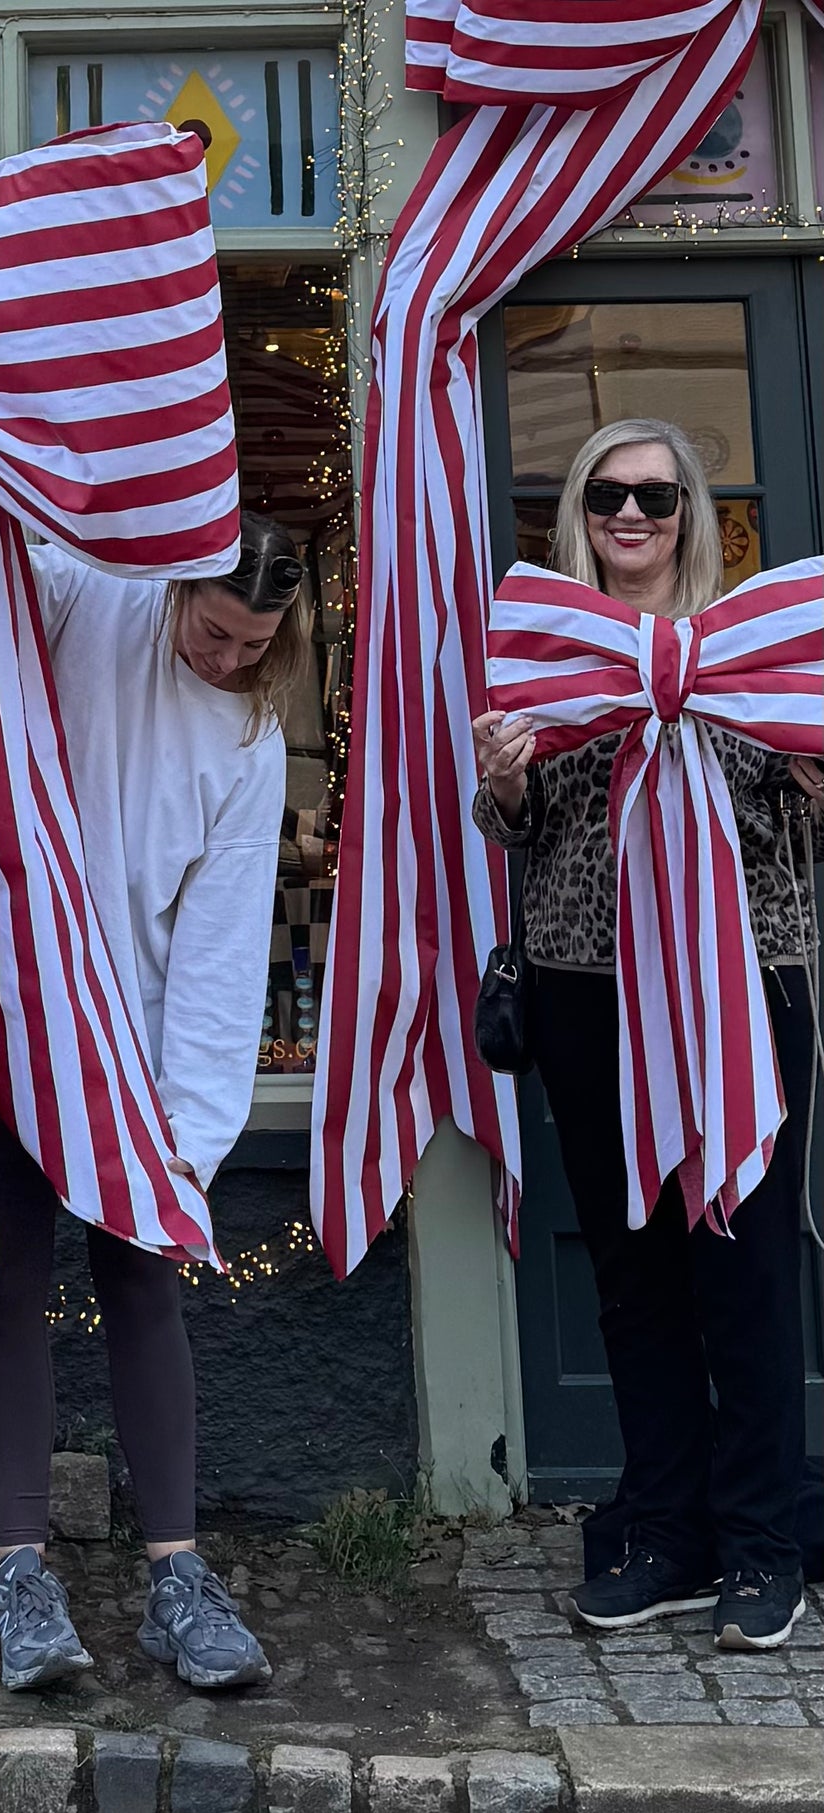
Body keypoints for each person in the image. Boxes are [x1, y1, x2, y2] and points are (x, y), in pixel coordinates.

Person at [0, 395, 297, 1691]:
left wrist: (187, 1124)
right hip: (1, 1002)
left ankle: (175, 1569)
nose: (227, 659)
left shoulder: (247, 733)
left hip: (129, 1037)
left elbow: (222, 947)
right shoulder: (87, 598)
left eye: (255, 643)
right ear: (179, 584)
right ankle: (21, 1572)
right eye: (216, 631)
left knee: (141, 1285)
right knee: (3, 1285)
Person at [472, 418, 821, 1651]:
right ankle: (666, 1529)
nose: (632, 514)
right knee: (634, 1273)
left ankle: (763, 1546)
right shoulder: (550, 645)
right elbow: (513, 825)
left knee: (748, 1265)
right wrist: (504, 784)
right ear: (581, 510)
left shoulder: (761, 651)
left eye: (657, 495)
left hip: (742, 986)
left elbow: (804, 811)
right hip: (590, 989)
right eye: (609, 493)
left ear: (691, 513)